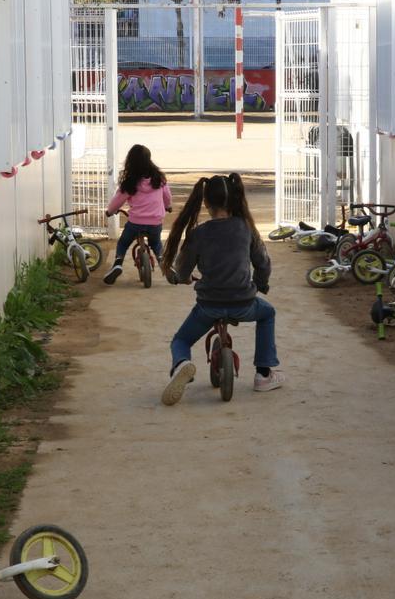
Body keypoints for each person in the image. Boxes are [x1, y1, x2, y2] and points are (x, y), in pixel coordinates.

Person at [159, 173, 285, 405]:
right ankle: (264, 374)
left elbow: (183, 268)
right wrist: (261, 283)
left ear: (206, 203)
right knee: (267, 313)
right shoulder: (246, 228)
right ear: (234, 200)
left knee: (181, 341)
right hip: (244, 304)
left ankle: (182, 365)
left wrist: (184, 278)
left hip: (209, 306)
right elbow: (263, 262)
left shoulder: (198, 233)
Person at [103, 144, 172, 284]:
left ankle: (117, 264)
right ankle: (163, 262)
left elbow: (118, 200)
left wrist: (110, 211)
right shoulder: (159, 178)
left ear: (130, 162)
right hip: (155, 222)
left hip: (135, 222)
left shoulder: (130, 182)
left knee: (123, 243)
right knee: (156, 243)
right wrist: (168, 206)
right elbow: (167, 196)